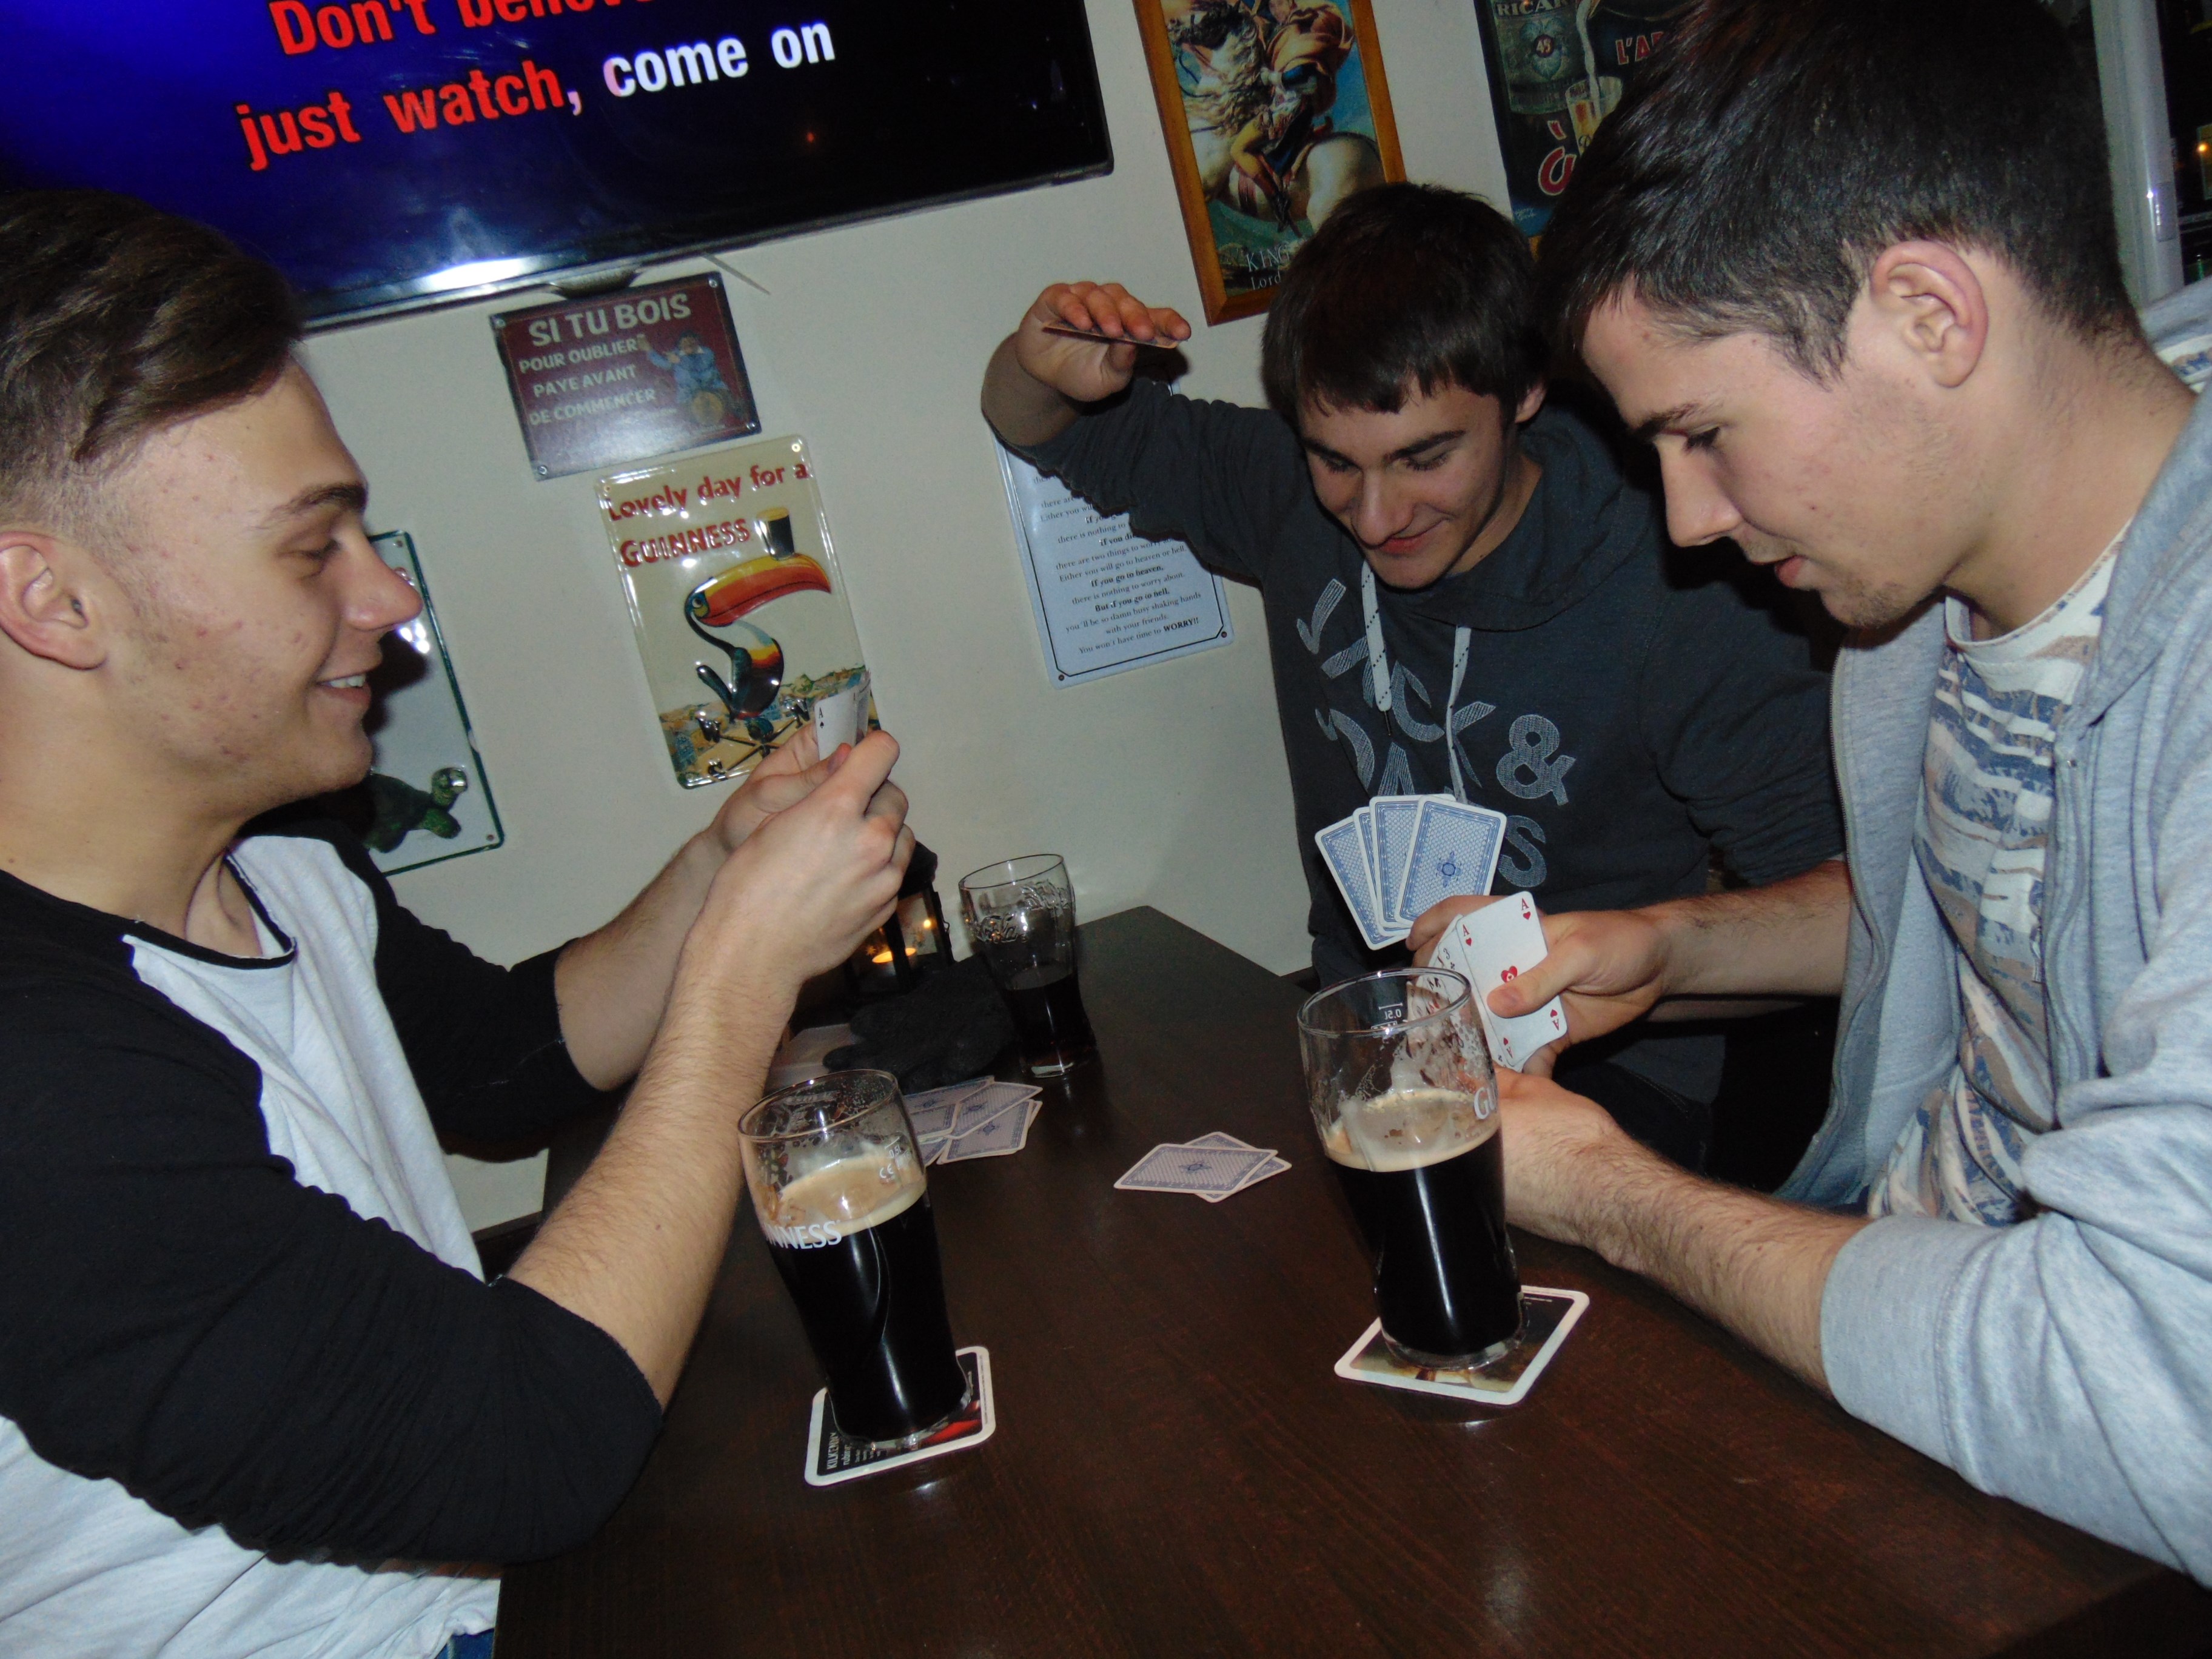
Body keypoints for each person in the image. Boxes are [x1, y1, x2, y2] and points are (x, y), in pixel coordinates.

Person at [0, 192, 914, 1655]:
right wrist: (746, 972)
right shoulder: (33, 1077)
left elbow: (497, 1064)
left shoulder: (278, 854)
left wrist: (714, 874)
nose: (390, 597)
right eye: (312, 548)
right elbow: (521, 1452)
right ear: (53, 601)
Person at [1485, 0, 2212, 1580]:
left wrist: (1612, 1199)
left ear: (1931, 315)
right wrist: (1675, 947)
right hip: (1892, 1346)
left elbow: (2158, 1396)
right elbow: (1994, 907)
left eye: (1702, 432)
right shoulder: (1920, 594)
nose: (1688, 519)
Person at [982, 182, 1843, 1168]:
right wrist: (1034, 363)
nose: (1376, 516)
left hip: (1604, 1066)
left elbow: (1850, 916)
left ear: (1525, 393)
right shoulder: (1287, 496)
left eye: (1425, 459)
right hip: (1366, 1042)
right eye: (1336, 462)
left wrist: (1638, 951)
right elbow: (1031, 421)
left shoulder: (1679, 588)